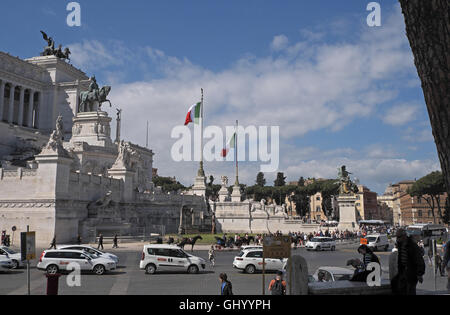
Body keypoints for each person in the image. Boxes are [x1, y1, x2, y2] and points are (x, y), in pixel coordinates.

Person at [392, 229, 425, 295]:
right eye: (397, 237)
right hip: (403, 272)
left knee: (410, 290)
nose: (397, 239)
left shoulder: (412, 245)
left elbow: (419, 260)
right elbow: (400, 259)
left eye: (399, 237)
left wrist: (419, 274)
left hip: (411, 273)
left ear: (404, 236)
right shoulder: (400, 245)